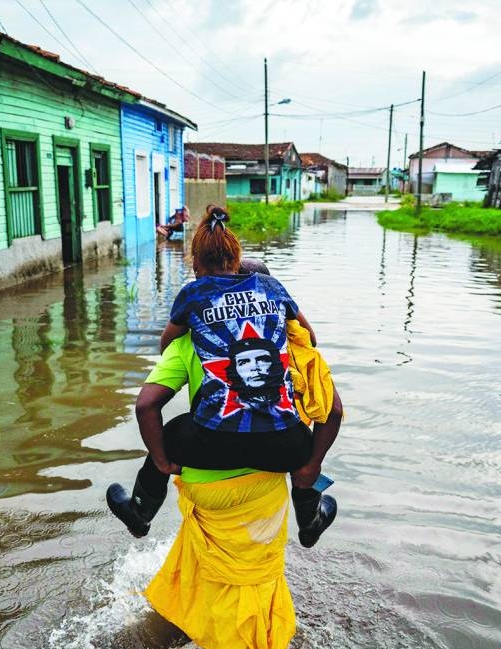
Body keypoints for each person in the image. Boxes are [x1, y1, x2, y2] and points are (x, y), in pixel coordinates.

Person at [107, 206, 340, 547]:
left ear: (194, 266)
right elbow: (331, 405)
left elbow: (146, 405)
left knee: (170, 430)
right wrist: (310, 466)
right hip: (285, 449)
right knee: (303, 437)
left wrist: (161, 459)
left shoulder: (193, 298)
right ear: (237, 260)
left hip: (212, 445)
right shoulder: (273, 292)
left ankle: (140, 514)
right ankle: (309, 521)